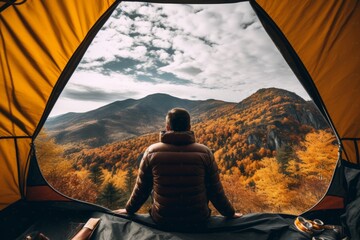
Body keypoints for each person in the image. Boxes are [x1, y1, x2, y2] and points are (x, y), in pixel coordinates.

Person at [114, 108, 242, 229]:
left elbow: (142, 189)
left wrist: (129, 210)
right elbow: (215, 190)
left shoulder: (151, 152)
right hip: (197, 220)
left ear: (167, 127)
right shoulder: (205, 152)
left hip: (163, 220)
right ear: (189, 127)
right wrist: (230, 213)